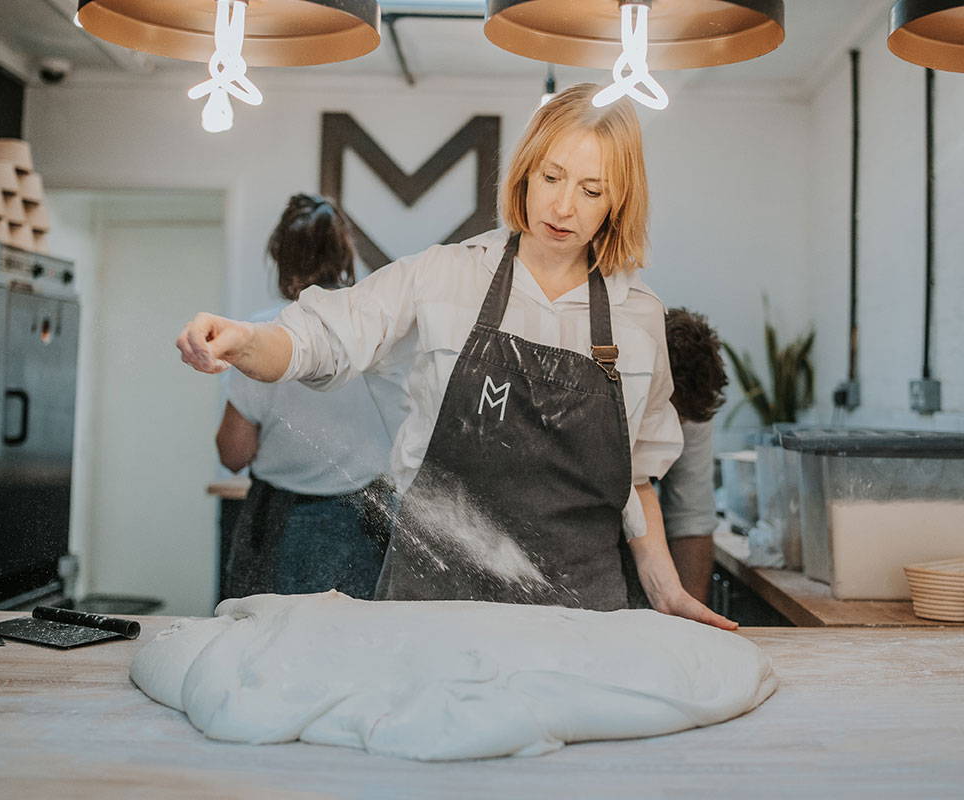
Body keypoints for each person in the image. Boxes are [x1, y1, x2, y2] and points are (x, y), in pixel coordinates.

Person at [178, 84, 736, 630]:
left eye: (593, 191)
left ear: (620, 200)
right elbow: (322, 337)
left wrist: (668, 590)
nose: (564, 207)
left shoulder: (637, 317)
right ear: (525, 170)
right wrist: (246, 341)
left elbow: (635, 481)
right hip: (434, 603)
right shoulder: (447, 274)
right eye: (552, 177)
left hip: (577, 615)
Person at [215, 194, 394, 599]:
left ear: (281, 256)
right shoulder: (377, 330)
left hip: (283, 522)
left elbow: (233, 454)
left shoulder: (264, 335)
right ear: (344, 254)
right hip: (370, 515)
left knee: (272, 645)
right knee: (362, 645)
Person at [659, 307, 728, 604]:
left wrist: (691, 623)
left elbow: (690, 517)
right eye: (666, 417)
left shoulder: (691, 402)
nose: (673, 432)